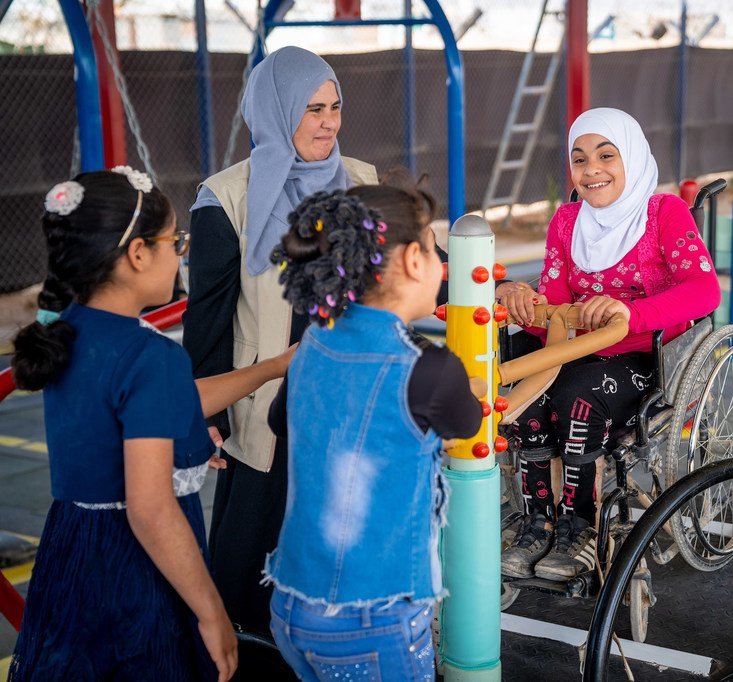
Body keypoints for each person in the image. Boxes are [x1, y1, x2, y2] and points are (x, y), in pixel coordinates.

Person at [8, 168, 293, 681]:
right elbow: (150, 509)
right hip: (134, 569)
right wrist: (211, 611)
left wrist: (272, 367)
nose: (180, 252)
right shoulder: (149, 355)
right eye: (173, 241)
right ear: (137, 254)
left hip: (72, 549)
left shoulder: (67, 330)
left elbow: (164, 403)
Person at [182, 46, 380, 642]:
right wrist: (207, 413)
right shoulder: (226, 198)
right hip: (265, 402)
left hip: (346, 395)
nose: (329, 122)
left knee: (337, 549)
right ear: (275, 111)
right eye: (312, 108)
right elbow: (209, 318)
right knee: (251, 555)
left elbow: (409, 269)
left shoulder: (360, 181)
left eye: (335, 106)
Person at [263, 186, 483, 681]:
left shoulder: (315, 337)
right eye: (434, 249)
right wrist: (468, 383)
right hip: (372, 620)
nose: (439, 263)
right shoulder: (429, 368)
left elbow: (283, 421)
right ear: (411, 259)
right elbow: (467, 422)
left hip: (292, 604)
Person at [498, 108, 721, 582]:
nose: (591, 169)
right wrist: (523, 301)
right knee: (510, 372)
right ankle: (539, 523)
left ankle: (579, 526)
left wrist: (629, 314)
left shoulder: (664, 213)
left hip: (645, 354)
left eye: (606, 155)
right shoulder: (566, 221)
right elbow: (553, 308)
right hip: (578, 347)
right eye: (579, 159)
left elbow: (704, 291)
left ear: (633, 157)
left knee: (575, 394)